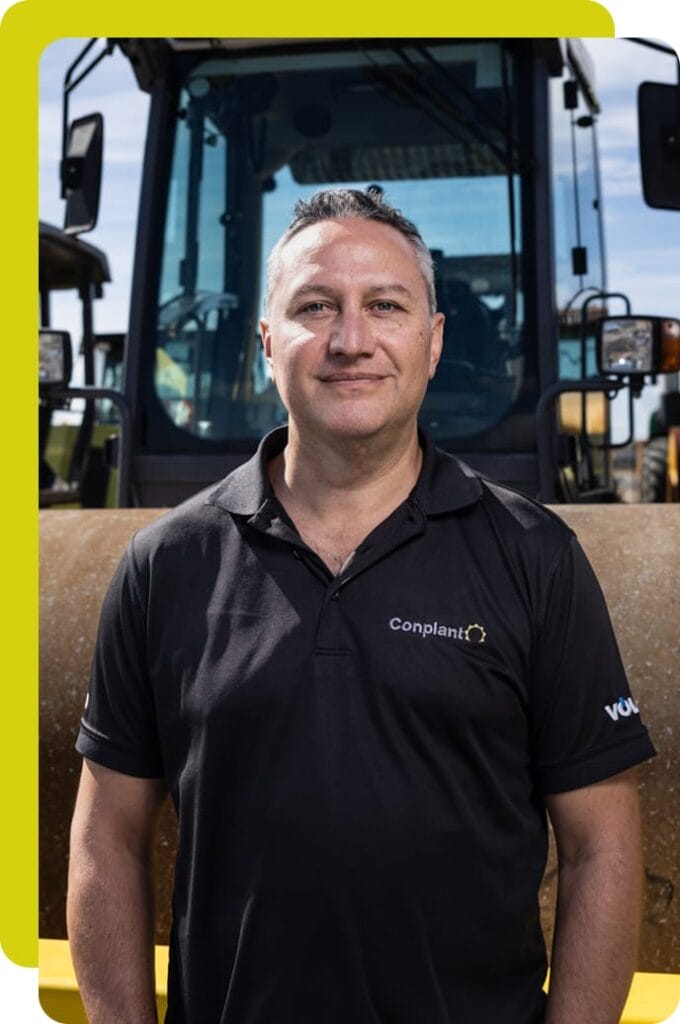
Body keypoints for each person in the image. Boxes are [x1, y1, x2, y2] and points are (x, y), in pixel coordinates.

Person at [68, 188, 655, 1024]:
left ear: (434, 338)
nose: (351, 340)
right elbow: (106, 839)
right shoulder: (165, 565)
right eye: (316, 306)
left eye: (385, 304)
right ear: (267, 340)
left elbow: (601, 845)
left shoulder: (537, 559)